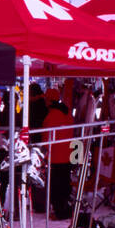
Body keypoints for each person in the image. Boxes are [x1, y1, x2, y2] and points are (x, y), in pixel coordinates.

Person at [43, 91, 74, 221]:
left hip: (56, 156)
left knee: (56, 187)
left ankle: (60, 212)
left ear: (49, 100)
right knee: (65, 184)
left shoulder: (51, 116)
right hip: (69, 154)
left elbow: (46, 137)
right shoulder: (67, 113)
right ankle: (66, 210)